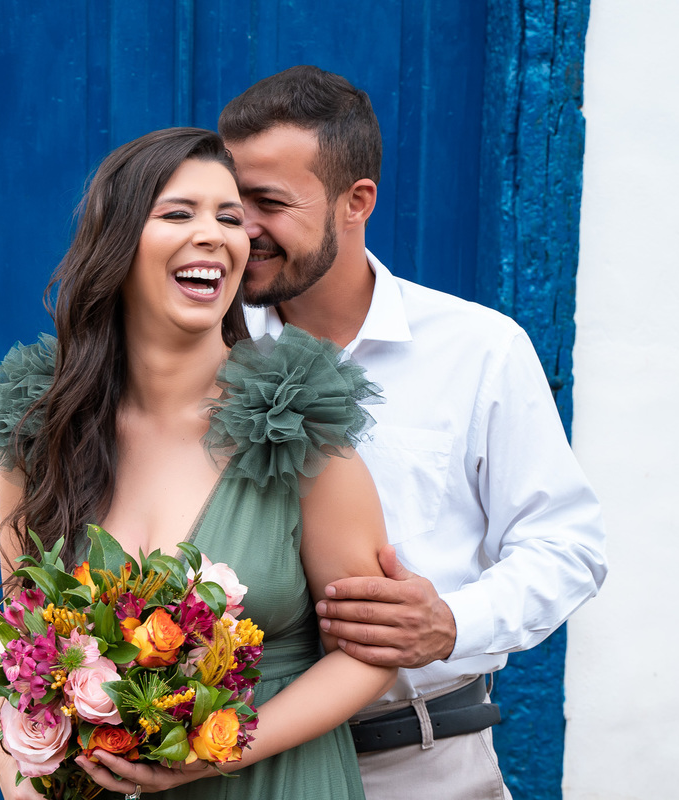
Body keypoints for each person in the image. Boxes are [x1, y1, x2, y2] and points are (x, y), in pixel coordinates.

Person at [0, 127, 396, 799]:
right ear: (116, 245)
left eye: (230, 219)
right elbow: (20, 651)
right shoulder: (38, 434)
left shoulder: (297, 426)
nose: (216, 234)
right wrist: (24, 781)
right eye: (178, 214)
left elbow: (372, 656)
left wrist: (214, 755)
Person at [217, 66, 608, 799]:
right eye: (228, 202)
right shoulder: (211, 355)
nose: (242, 229)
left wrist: (451, 622)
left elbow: (569, 546)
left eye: (268, 202)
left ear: (355, 202)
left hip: (421, 763)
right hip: (235, 769)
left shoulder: (479, 348)